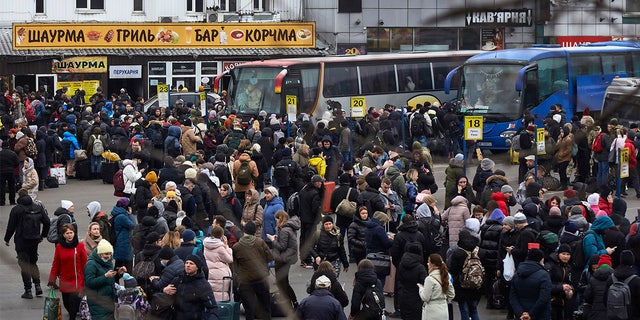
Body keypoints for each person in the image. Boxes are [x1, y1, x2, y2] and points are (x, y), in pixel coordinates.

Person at [3, 188, 50, 299]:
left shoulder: (16, 209)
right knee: (33, 262)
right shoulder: (38, 207)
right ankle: (38, 287)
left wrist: (7, 239)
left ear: (19, 196)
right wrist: (42, 235)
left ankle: (28, 290)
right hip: (34, 239)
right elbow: (47, 222)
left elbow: (11, 226)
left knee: (24, 264)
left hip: (21, 240)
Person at [232, 221, 273, 320]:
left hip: (246, 281)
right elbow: (270, 258)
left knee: (249, 310)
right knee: (265, 307)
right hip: (261, 278)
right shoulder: (260, 242)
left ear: (244, 231)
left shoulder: (236, 247)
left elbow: (235, 265)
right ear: (254, 231)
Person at [47, 223, 88, 320]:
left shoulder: (79, 246)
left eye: (71, 232)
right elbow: (55, 264)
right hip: (65, 281)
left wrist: (87, 278)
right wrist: (52, 280)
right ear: (63, 235)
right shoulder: (59, 247)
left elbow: (85, 263)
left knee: (73, 309)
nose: (69, 235)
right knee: (67, 304)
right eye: (67, 233)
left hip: (78, 282)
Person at [161, 254, 219, 320]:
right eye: (186, 263)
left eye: (191, 263)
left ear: (197, 267)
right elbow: (164, 297)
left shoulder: (203, 285)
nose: (188, 265)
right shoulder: (178, 280)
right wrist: (164, 290)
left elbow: (212, 308)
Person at [84, 239, 127, 320]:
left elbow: (110, 280)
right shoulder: (91, 264)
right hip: (97, 302)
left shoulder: (108, 262)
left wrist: (118, 274)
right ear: (100, 253)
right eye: (106, 254)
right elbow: (89, 283)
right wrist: (105, 276)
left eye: (110, 254)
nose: (108, 256)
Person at [267, 211, 301, 309]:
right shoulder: (289, 228)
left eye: (277, 219)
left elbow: (281, 246)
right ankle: (292, 303)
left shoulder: (284, 230)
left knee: (282, 283)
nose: (276, 221)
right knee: (284, 282)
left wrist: (273, 240)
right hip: (287, 258)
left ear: (280, 218)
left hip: (283, 259)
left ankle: (292, 303)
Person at [509, 248, 552, 320]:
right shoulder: (544, 275)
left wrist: (520, 313)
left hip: (521, 314)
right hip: (540, 315)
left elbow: (512, 296)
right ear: (541, 260)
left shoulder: (517, 274)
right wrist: (531, 314)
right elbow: (544, 297)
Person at [449, 229, 482, 320]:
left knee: (464, 310)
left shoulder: (458, 252)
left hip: (462, 285)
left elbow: (453, 270)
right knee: (474, 309)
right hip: (476, 285)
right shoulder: (477, 251)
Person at [418, 253, 456, 320]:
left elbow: (425, 298)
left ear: (432, 264)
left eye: (428, 262)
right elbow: (451, 294)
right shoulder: (445, 276)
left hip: (431, 311)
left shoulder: (429, 279)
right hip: (444, 310)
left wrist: (421, 289)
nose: (427, 264)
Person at [298, 174, 325, 268]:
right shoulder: (315, 193)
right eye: (320, 182)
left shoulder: (303, 190)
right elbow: (315, 209)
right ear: (316, 183)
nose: (321, 183)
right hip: (311, 220)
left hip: (303, 218)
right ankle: (308, 259)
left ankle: (303, 258)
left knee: (303, 238)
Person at [397, 242, 428, 320]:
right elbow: (425, 283)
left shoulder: (401, 264)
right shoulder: (420, 267)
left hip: (403, 296)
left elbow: (399, 280)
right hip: (416, 298)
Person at [203, 225, 233, 301]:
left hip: (210, 272)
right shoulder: (220, 248)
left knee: (212, 293)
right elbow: (230, 259)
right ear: (222, 235)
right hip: (220, 275)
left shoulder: (206, 245)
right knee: (221, 295)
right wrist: (227, 247)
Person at [112, 197, 136, 274]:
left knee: (119, 265)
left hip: (122, 243)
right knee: (126, 268)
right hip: (124, 244)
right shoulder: (122, 217)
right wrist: (131, 214)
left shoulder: (119, 214)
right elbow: (133, 225)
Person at [0, 140, 19, 206]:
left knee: (1, 187)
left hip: (1, 172)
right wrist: (12, 167)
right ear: (8, 146)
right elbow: (17, 163)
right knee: (12, 186)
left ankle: (2, 201)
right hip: (11, 171)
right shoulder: (13, 153)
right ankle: (12, 200)